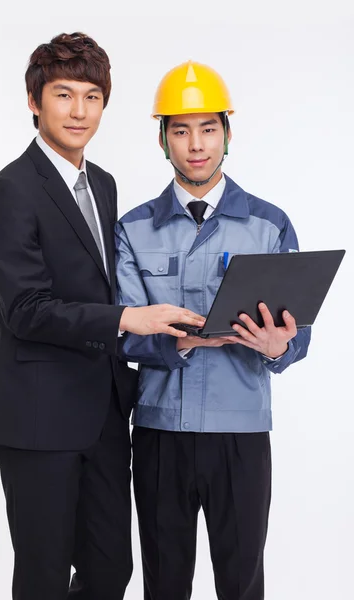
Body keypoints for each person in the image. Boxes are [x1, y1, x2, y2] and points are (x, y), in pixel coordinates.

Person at [0, 36, 204, 600]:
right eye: (63, 95)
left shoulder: (100, 184)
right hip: (37, 416)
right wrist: (129, 318)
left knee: (110, 571)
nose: (79, 111)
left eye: (92, 96)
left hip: (103, 412)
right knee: (44, 576)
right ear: (34, 100)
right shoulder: (10, 191)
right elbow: (26, 310)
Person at [115, 60, 311, 600]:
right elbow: (121, 330)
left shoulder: (269, 224)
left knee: (242, 584)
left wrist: (281, 348)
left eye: (208, 129)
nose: (195, 144)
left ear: (228, 134)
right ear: (162, 140)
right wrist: (176, 343)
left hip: (241, 432)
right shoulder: (132, 229)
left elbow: (300, 328)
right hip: (160, 432)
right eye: (180, 130)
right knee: (165, 583)